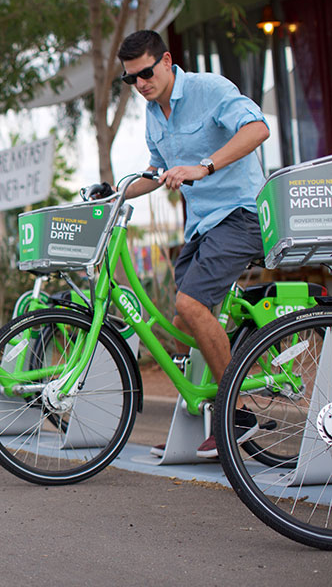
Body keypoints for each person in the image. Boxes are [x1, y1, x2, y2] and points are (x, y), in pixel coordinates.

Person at [117, 30, 269, 458]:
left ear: (166, 60)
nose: (141, 84)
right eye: (131, 80)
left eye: (146, 72)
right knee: (183, 324)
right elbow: (158, 170)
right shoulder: (153, 114)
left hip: (241, 214)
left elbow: (258, 129)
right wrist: (114, 192)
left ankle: (234, 414)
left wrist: (205, 166)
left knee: (190, 306)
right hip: (202, 226)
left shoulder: (210, 89)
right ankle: (202, 414)